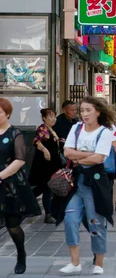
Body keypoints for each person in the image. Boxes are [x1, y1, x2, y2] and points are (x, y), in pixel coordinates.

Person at [56, 96, 116, 275]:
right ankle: (75, 262)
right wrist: (86, 154)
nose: (84, 114)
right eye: (81, 110)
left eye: (88, 110)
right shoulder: (76, 128)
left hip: (97, 183)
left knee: (96, 222)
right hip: (77, 182)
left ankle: (98, 262)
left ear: (98, 112)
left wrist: (78, 155)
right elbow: (66, 152)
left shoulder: (105, 132)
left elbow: (99, 158)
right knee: (69, 220)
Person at [0, 98, 41, 275]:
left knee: (12, 225)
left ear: (7, 114)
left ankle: (21, 255)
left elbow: (20, 160)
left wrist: (1, 175)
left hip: (10, 185)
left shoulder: (15, 133)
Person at [29, 108, 62, 224]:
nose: (54, 119)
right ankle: (48, 214)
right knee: (46, 188)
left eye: (54, 116)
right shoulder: (42, 128)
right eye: (51, 116)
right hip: (44, 165)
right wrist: (45, 150)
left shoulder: (50, 129)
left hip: (51, 164)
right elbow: (36, 141)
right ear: (44, 118)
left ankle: (25, 203)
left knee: (42, 189)